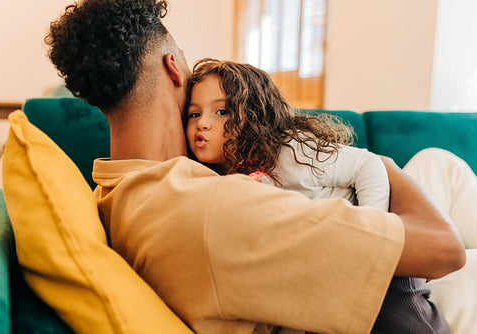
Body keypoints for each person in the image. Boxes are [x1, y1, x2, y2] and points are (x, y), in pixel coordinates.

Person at [45, 1, 465, 333]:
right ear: (173, 67)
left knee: (437, 165)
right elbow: (445, 249)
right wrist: (381, 164)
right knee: (441, 167)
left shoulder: (115, 190)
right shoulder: (217, 207)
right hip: (424, 287)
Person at [184, 58, 452, 333]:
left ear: (254, 115)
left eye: (222, 112)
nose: (203, 123)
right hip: (334, 265)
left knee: (408, 323)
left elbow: (367, 164)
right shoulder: (223, 177)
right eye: (195, 114)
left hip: (375, 245)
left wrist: (373, 226)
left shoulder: (290, 153)